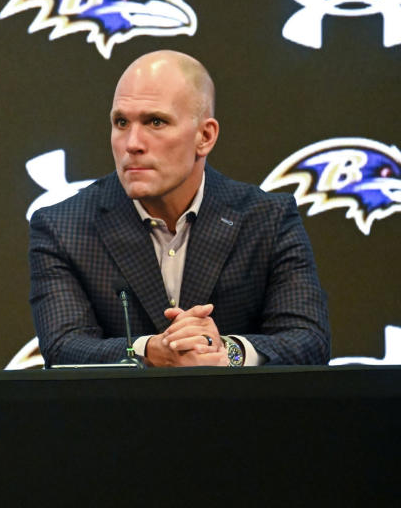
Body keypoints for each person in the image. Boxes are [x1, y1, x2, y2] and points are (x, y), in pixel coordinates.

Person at [29, 50, 330, 367]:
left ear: (205, 136)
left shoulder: (268, 218)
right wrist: (149, 350)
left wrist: (226, 351)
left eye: (155, 122)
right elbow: (64, 346)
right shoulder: (63, 226)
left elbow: (309, 341)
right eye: (121, 122)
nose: (132, 143)